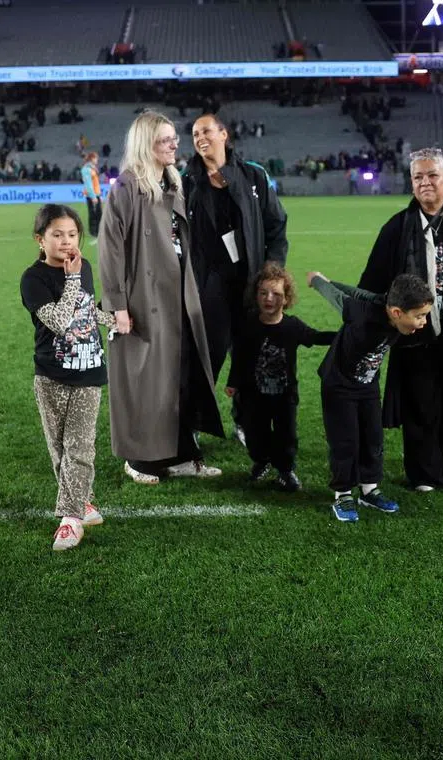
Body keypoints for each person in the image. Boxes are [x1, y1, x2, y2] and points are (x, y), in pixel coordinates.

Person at [99, 110, 223, 484]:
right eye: (166, 139)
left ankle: (183, 454)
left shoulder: (171, 184)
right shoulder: (126, 187)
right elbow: (111, 250)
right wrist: (118, 306)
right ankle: (139, 460)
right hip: (144, 300)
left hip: (179, 297)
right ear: (146, 143)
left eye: (174, 139)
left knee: (181, 377)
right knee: (145, 381)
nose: (175, 145)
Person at [359, 147, 443, 492]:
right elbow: (372, 283)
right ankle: (425, 474)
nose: (425, 182)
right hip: (415, 334)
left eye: (432, 175)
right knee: (421, 405)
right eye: (418, 177)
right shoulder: (398, 228)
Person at [183, 113, 288, 445]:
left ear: (224, 134)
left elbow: (276, 227)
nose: (200, 138)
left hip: (251, 281)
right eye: (195, 134)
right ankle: (193, 423)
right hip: (208, 283)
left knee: (252, 355)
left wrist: (272, 272)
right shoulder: (186, 180)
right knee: (206, 355)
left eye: (207, 131)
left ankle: (246, 421)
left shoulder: (253, 177)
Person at [20, 204, 115, 551]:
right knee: (59, 448)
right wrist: (72, 280)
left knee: (81, 444)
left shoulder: (84, 268)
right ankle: (84, 501)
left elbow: (86, 312)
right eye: (57, 235)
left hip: (89, 371)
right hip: (50, 374)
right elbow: (59, 321)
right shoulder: (33, 279)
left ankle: (71, 518)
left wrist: (114, 321)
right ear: (40, 240)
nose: (65, 241)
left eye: (72, 235)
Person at [309, 271, 433, 522]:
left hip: (367, 386)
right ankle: (343, 494)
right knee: (346, 441)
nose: (423, 322)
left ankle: (369, 490)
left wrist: (334, 279)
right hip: (339, 386)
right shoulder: (362, 316)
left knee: (372, 437)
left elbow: (358, 292)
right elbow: (339, 298)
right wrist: (319, 282)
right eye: (419, 316)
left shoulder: (385, 303)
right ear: (397, 313)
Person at [226, 262, 334, 491]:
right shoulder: (248, 326)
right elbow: (240, 357)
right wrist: (233, 383)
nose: (269, 298)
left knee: (287, 435)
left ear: (286, 298)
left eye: (276, 294)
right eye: (263, 293)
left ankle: (285, 470)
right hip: (253, 395)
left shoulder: (292, 327)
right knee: (255, 433)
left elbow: (315, 337)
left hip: (285, 396)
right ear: (256, 295)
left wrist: (343, 336)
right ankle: (261, 460)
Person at [80, 151, 103, 238]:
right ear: (92, 158)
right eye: (96, 158)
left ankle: (98, 231)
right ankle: (94, 232)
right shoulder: (86, 169)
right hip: (91, 195)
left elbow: (95, 183)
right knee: (94, 214)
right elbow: (88, 184)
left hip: (96, 194)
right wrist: (93, 196)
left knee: (98, 213)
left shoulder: (92, 168)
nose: (97, 160)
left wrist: (99, 195)